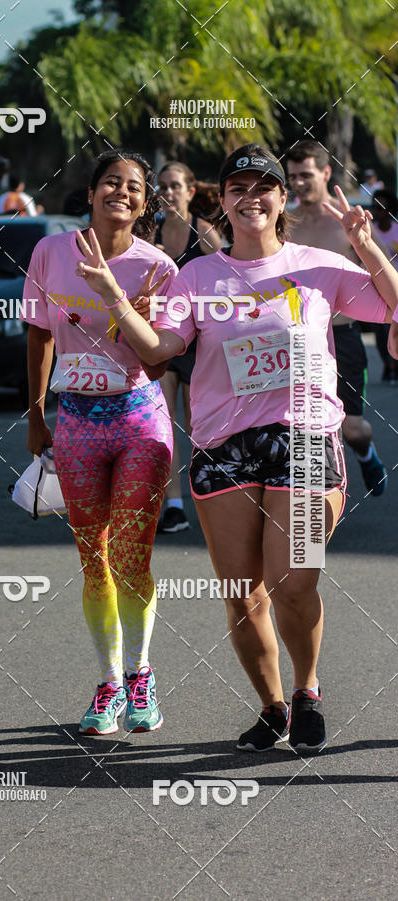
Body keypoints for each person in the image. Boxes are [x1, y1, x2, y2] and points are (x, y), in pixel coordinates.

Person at [74, 143, 398, 752]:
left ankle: (307, 691)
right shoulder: (197, 276)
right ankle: (272, 707)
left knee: (295, 581)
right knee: (241, 594)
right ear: (220, 201)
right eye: (237, 189)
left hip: (303, 439)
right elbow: (160, 349)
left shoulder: (319, 265)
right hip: (225, 445)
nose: (251, 198)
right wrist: (112, 296)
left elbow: (394, 302)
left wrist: (366, 245)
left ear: (281, 200)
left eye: (263, 188)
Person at [22, 150, 177, 735]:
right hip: (77, 421)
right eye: (112, 182)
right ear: (90, 192)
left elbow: (160, 366)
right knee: (94, 560)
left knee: (132, 554)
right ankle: (109, 683)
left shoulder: (159, 266)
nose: (124, 193)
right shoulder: (50, 252)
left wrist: (127, 315)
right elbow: (38, 334)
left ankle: (141, 676)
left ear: (144, 203)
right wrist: (36, 414)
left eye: (135, 187)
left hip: (139, 419)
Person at [286, 140, 387, 496]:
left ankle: (367, 455)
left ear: (326, 173)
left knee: (355, 429)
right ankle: (311, 503)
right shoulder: (286, 225)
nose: (298, 183)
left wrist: (363, 241)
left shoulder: (347, 222)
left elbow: (380, 276)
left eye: (306, 175)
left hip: (343, 337)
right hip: (298, 343)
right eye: (293, 176)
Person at [155, 163, 222, 532]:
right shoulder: (151, 234)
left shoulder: (206, 233)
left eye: (175, 186)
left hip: (201, 345)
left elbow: (229, 282)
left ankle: (209, 496)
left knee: (199, 427)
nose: (168, 192)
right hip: (164, 341)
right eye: (162, 186)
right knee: (165, 425)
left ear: (190, 191)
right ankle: (175, 506)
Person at [370, 188, 398, 383]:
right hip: (376, 289)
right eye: (375, 208)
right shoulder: (370, 231)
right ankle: (388, 364)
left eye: (382, 208)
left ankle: (394, 365)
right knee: (380, 332)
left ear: (390, 210)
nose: (378, 212)